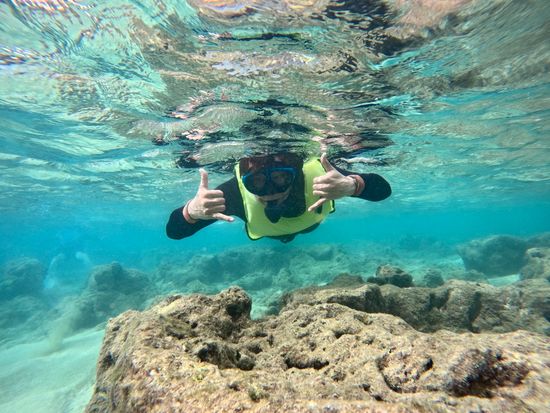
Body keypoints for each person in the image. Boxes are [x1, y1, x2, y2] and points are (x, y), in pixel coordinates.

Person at [166, 152, 391, 243]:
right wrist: (192, 211)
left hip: (310, 225)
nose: (271, 191)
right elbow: (174, 231)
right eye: (257, 182)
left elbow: (383, 190)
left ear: (295, 174)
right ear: (244, 181)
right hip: (276, 232)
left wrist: (352, 185)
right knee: (285, 237)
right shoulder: (233, 194)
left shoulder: (319, 176)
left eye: (281, 178)